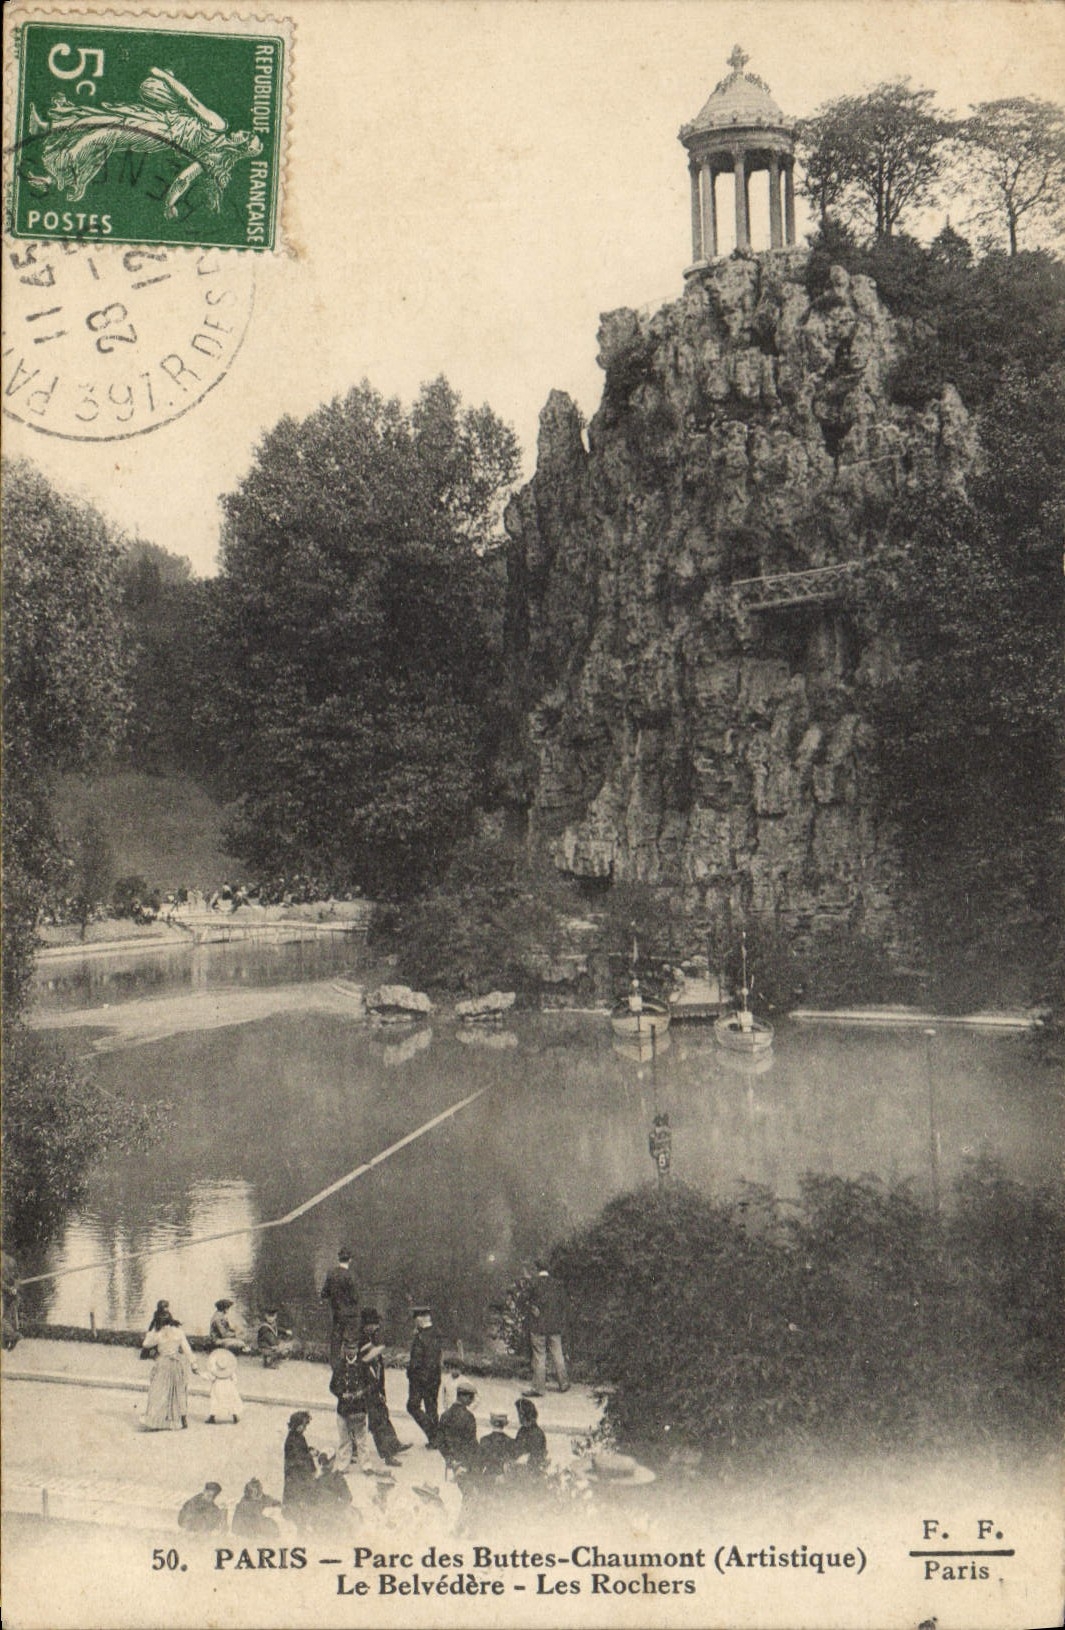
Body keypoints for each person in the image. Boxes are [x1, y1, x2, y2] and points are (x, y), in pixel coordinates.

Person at [357, 1310, 409, 1466]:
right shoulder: (361, 1339)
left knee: (382, 1415)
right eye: (374, 1324)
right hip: (366, 1387)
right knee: (376, 1421)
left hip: (375, 1386)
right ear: (367, 1324)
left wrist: (382, 1390)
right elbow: (366, 1362)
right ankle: (387, 1454)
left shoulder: (370, 1337)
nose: (377, 1327)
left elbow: (377, 1365)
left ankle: (393, 1445)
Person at [142, 1315, 198, 1430]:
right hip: (177, 1363)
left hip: (163, 1363)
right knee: (179, 1391)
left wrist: (151, 1331)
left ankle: (157, 1419)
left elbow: (145, 1344)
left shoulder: (159, 1334)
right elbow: (187, 1349)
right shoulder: (179, 1332)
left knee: (158, 1391)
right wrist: (193, 1363)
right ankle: (183, 1419)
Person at [524, 1262, 569, 1397]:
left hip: (538, 1326)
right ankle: (564, 1383)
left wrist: (532, 1307)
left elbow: (523, 1300)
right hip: (554, 1326)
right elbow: (564, 1305)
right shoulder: (557, 1284)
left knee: (539, 1356)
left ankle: (538, 1388)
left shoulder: (534, 1283)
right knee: (558, 1354)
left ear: (537, 1269)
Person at [330, 1336, 371, 1475]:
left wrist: (361, 1392)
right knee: (344, 1439)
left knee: (362, 1440)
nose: (351, 1351)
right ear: (344, 1349)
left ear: (357, 1349)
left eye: (353, 1348)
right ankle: (342, 1466)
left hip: (359, 1409)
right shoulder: (339, 1366)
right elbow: (332, 1386)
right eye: (348, 1348)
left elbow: (371, 1385)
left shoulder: (363, 1366)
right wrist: (341, 1394)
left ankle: (366, 1466)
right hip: (343, 1409)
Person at [406, 1304, 442, 1446]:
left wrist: (412, 1373)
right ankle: (435, 1439)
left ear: (420, 1319)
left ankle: (434, 1434)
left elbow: (418, 1360)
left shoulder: (422, 1336)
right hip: (434, 1377)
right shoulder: (434, 1333)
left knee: (413, 1406)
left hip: (420, 1378)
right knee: (431, 1407)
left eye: (416, 1319)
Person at [321, 1247, 360, 1368]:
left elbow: (324, 1294)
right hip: (350, 1313)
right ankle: (350, 1362)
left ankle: (335, 1365)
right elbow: (355, 1297)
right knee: (350, 1339)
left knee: (336, 1339)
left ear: (339, 1259)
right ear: (350, 1260)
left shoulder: (331, 1274)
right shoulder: (351, 1276)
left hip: (336, 1312)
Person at [436, 1380, 479, 1477]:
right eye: (470, 1397)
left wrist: (449, 1458)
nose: (472, 1400)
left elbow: (440, 1441)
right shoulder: (469, 1417)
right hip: (465, 1463)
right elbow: (472, 1443)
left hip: (450, 1462)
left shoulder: (445, 1415)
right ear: (462, 1396)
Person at [282, 1412, 318, 1526]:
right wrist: (310, 1455)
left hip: (301, 1474)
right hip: (296, 1475)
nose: (305, 1428)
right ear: (296, 1425)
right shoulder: (292, 1440)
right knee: (298, 1496)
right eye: (304, 1425)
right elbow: (296, 1459)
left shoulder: (298, 1436)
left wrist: (310, 1450)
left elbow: (302, 1450)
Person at [205, 1345, 242, 1424]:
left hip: (218, 1386)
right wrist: (232, 1385)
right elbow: (235, 1380)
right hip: (229, 1385)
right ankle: (235, 1416)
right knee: (231, 1400)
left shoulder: (215, 1373)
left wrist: (200, 1374)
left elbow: (210, 1377)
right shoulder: (230, 1372)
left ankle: (212, 1417)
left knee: (215, 1400)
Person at [513, 1395, 549, 1474]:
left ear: (523, 1415)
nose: (518, 1417)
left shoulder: (536, 1434)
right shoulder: (523, 1430)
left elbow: (534, 1459)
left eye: (519, 1414)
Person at [478, 1412, 517, 1480]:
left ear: (492, 1423)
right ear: (504, 1424)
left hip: (488, 1476)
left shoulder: (484, 1440)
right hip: (504, 1478)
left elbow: (480, 1462)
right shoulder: (511, 1441)